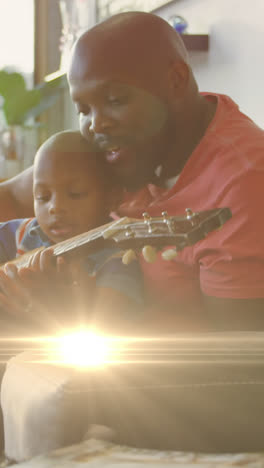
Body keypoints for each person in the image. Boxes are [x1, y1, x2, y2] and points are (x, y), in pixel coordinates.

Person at [0, 11, 264, 333]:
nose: (96, 124)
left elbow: (236, 363)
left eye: (115, 100)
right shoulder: (114, 147)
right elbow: (12, 195)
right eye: (83, 110)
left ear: (176, 81)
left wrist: (65, 314)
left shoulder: (242, 183)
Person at [0, 130, 143, 334]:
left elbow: (103, 331)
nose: (55, 207)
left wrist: (56, 307)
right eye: (43, 196)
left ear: (111, 198)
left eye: (75, 194)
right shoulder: (25, 232)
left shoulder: (118, 262)